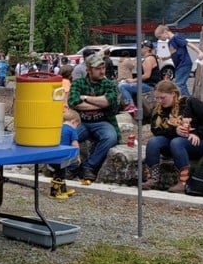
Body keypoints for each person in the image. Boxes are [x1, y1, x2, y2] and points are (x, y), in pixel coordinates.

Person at [142, 80, 203, 193]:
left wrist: (198, 133)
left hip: (198, 142)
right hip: (174, 141)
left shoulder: (190, 102)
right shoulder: (159, 109)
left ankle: (183, 182)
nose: (159, 101)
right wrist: (175, 131)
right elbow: (156, 130)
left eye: (163, 97)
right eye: (157, 98)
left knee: (177, 142)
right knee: (154, 142)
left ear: (173, 94)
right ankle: (153, 178)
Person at [68, 51, 121, 184]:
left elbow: (109, 101)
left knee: (110, 137)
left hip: (102, 122)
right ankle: (70, 166)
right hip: (81, 122)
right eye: (98, 69)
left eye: (103, 68)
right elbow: (73, 102)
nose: (102, 71)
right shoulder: (78, 83)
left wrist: (85, 98)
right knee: (65, 135)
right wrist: (100, 103)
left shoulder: (109, 84)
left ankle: (89, 167)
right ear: (89, 70)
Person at [154, 24, 203, 96]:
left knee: (179, 84)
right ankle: (187, 99)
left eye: (160, 36)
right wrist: (165, 58)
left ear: (165, 32)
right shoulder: (169, 42)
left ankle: (188, 101)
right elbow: (173, 53)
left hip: (184, 63)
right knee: (180, 84)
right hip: (178, 65)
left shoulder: (176, 37)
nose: (160, 39)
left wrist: (199, 52)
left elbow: (188, 43)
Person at [118, 40, 161, 117]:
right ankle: (133, 105)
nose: (140, 49)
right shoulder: (150, 58)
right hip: (148, 84)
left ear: (147, 49)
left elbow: (147, 75)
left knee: (122, 86)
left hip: (150, 85)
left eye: (141, 47)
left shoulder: (149, 59)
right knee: (126, 85)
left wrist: (133, 80)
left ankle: (130, 105)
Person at [49, 109, 81, 200]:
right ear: (73, 121)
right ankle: (55, 193)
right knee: (60, 175)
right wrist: (77, 156)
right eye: (77, 125)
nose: (76, 127)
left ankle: (63, 190)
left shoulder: (58, 127)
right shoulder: (71, 130)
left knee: (59, 173)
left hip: (52, 155)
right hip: (62, 157)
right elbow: (75, 144)